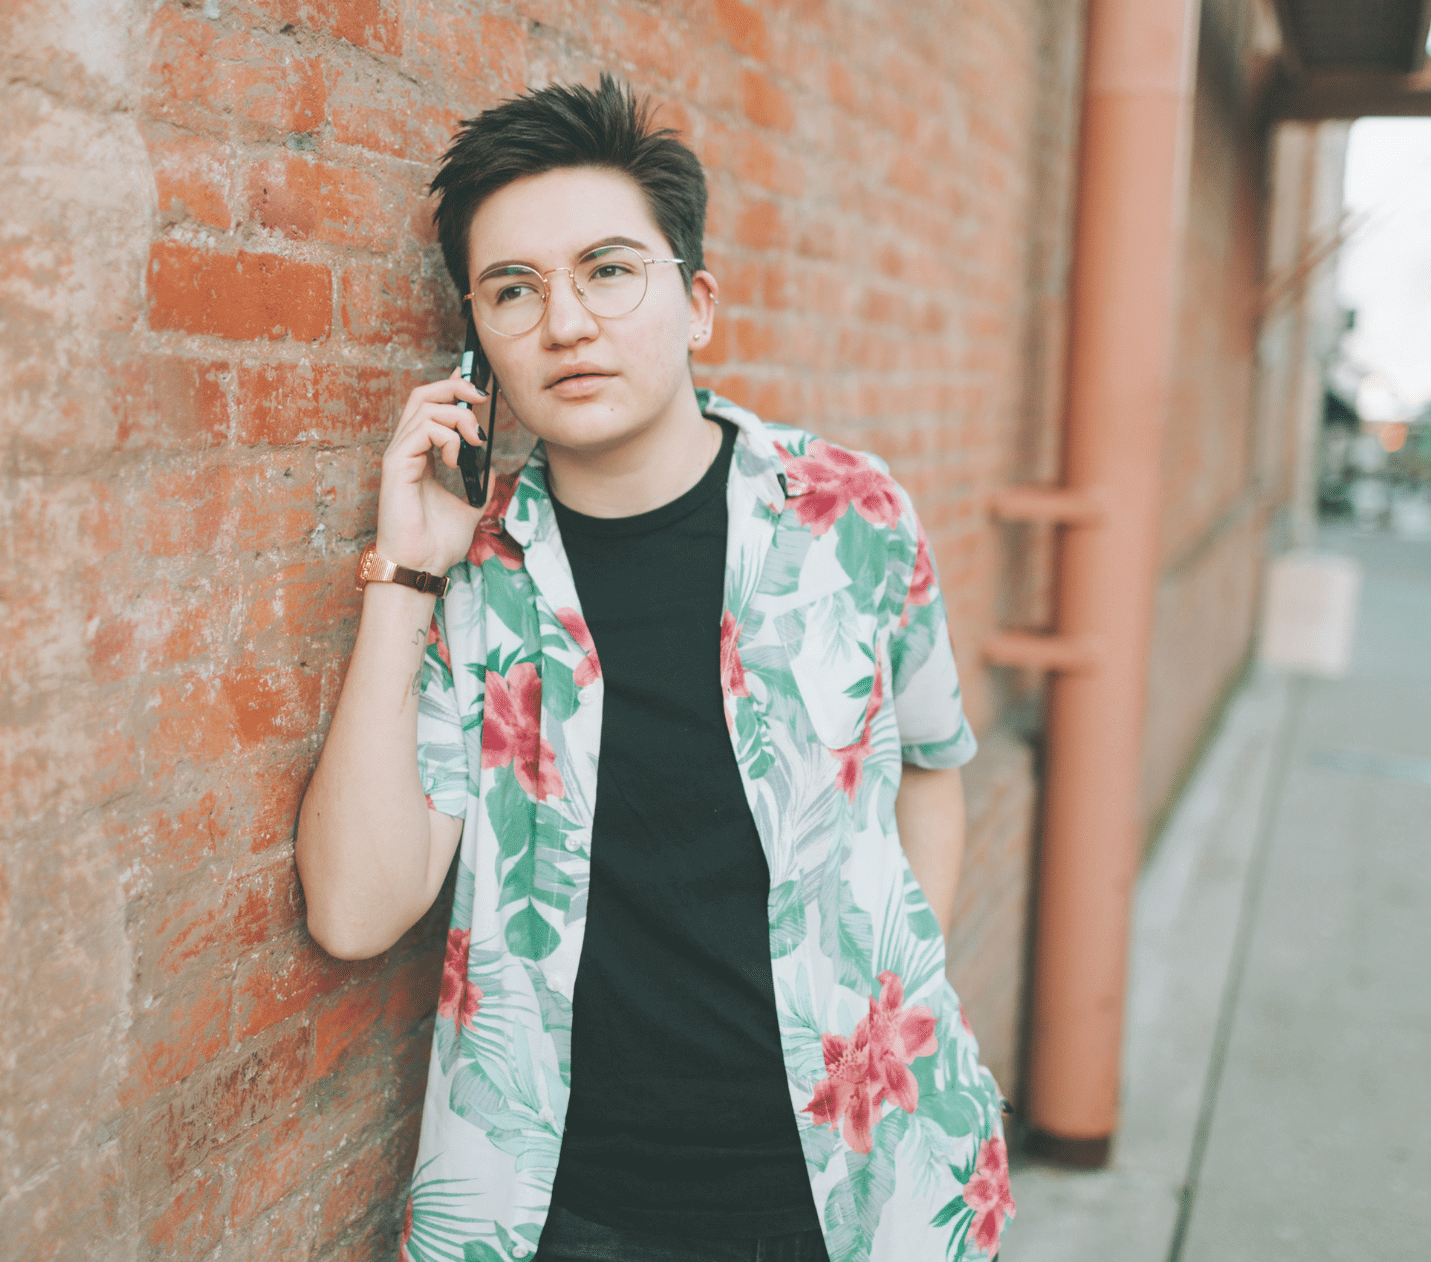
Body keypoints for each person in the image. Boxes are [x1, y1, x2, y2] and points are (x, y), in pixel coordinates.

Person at [296, 75, 1014, 1262]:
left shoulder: (850, 514)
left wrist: (895, 999)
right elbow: (356, 909)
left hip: (868, 1184)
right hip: (575, 1212)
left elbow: (932, 763)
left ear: (696, 304)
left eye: (607, 270)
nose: (564, 323)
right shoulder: (474, 578)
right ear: (477, 344)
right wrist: (407, 570)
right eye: (512, 289)